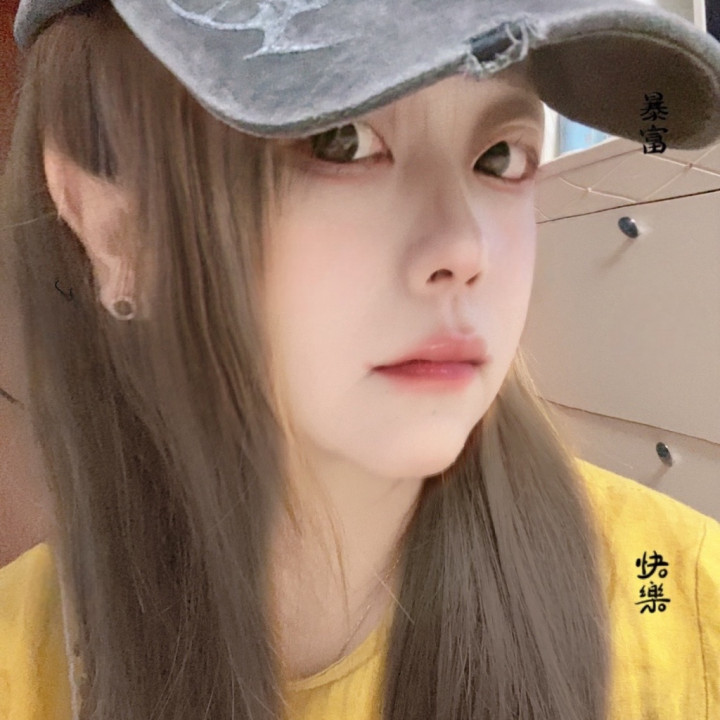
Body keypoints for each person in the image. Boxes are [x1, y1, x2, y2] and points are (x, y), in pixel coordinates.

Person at [1, 0, 719, 718]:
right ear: (114, 229)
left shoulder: (683, 600)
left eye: (500, 157)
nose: (463, 247)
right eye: (340, 142)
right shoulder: (20, 664)